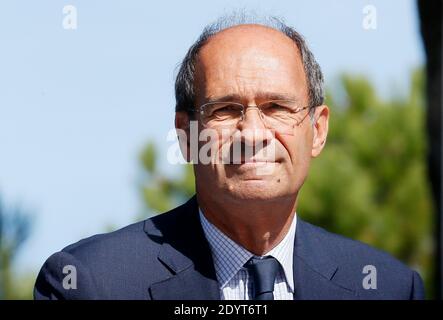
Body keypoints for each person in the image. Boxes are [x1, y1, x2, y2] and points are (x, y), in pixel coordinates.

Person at [34, 14, 425, 300]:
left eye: (276, 107)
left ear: (318, 130)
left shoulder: (386, 287)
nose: (253, 134)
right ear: (186, 135)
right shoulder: (92, 284)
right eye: (226, 110)